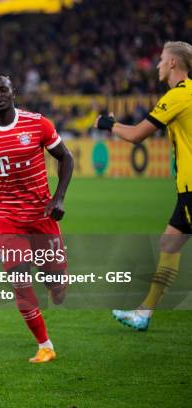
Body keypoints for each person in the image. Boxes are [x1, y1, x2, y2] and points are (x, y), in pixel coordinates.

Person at [0, 73, 74, 363]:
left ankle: (55, 281)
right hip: (6, 217)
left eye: (3, 89)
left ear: (14, 93)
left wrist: (58, 197)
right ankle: (44, 345)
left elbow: (66, 157)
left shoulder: (37, 123)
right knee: (20, 279)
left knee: (57, 289)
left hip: (41, 214)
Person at [95, 41, 192, 331]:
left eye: (162, 59)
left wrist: (108, 124)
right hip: (185, 191)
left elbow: (137, 134)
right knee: (169, 244)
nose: (159, 65)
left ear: (174, 63)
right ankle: (144, 312)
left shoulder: (179, 95)